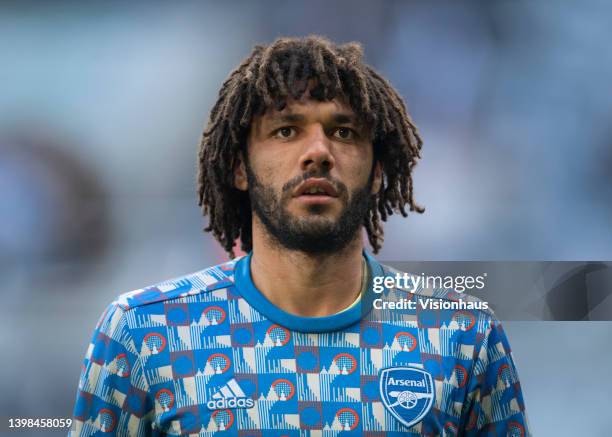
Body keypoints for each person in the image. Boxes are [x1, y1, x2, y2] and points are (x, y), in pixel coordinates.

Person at [70, 36, 529, 436]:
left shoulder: (464, 335)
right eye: (286, 130)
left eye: (343, 131)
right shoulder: (142, 332)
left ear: (377, 172)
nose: (318, 153)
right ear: (238, 168)